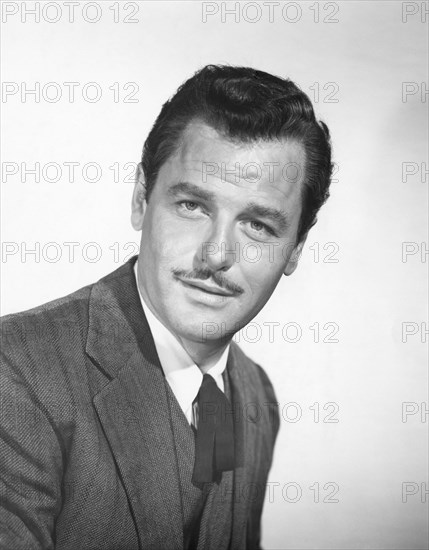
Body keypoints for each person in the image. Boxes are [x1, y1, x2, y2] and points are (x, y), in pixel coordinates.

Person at [0, 64, 333, 550]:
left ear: (296, 249)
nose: (218, 254)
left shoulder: (256, 394)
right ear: (141, 198)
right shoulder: (17, 373)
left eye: (258, 225)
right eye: (193, 206)